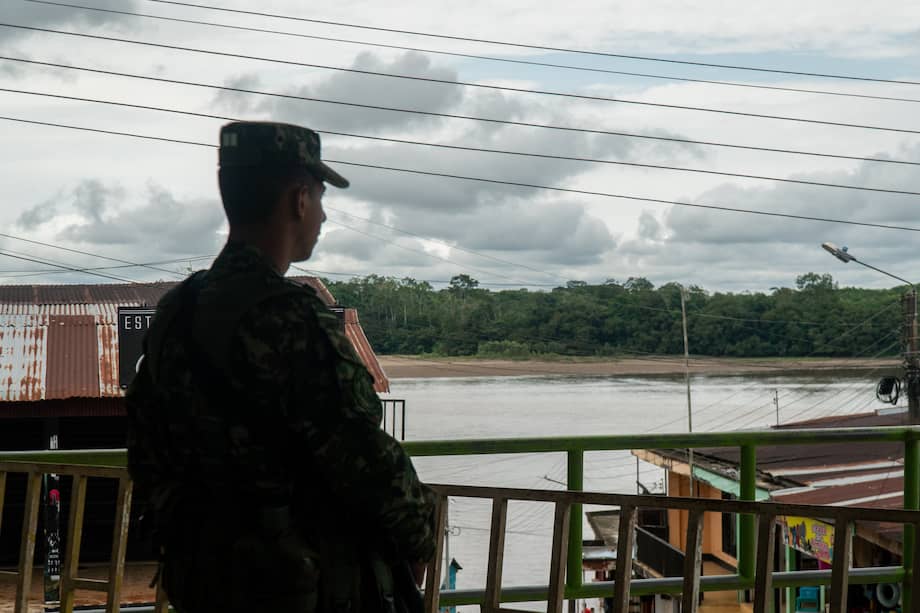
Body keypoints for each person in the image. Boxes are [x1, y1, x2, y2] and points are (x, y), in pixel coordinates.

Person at [126, 121, 437, 612]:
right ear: (298, 200)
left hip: (204, 575)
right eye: (319, 199)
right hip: (296, 583)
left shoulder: (177, 310)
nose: (323, 215)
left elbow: (146, 450)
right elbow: (360, 453)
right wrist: (420, 537)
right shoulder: (293, 316)